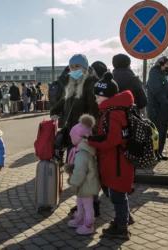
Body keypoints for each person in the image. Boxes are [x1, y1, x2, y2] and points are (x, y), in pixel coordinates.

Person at [50, 54, 101, 215]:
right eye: (72, 67)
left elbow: (95, 111)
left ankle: (93, 204)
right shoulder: (72, 83)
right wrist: (54, 111)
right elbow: (65, 101)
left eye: (77, 67)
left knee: (87, 171)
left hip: (85, 136)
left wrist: (90, 133)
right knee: (76, 171)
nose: (74, 70)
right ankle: (82, 202)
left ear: (85, 68)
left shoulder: (91, 84)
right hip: (72, 135)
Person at [87, 72, 134, 240]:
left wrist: (92, 142)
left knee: (118, 195)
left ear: (105, 96)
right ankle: (125, 218)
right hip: (116, 161)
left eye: (97, 97)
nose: (96, 100)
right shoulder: (116, 109)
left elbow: (113, 140)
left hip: (116, 162)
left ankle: (121, 227)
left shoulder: (113, 113)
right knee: (115, 192)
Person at [66, 114, 100, 235]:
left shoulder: (82, 154)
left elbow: (79, 172)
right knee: (80, 201)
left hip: (86, 184)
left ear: (80, 137)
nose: (71, 139)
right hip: (84, 184)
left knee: (87, 204)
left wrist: (74, 184)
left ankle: (88, 224)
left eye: (72, 137)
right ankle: (80, 218)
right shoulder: (82, 149)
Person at [146, 56, 168, 161]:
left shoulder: (167, 75)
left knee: (164, 131)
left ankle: (159, 152)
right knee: (157, 130)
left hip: (164, 107)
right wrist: (165, 103)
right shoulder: (154, 74)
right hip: (156, 108)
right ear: (161, 64)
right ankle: (154, 154)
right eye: (166, 64)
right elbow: (157, 91)